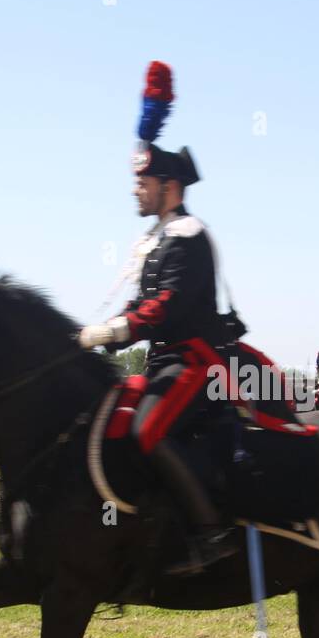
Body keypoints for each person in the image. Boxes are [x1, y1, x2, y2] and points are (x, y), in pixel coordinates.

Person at [76, 61, 239, 575]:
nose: (135, 190)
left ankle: (212, 534)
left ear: (169, 185)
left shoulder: (188, 236)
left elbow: (165, 306)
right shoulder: (158, 239)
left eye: (143, 181)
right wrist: (97, 336)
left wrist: (120, 329)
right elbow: (136, 308)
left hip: (198, 364)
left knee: (147, 430)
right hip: (164, 363)